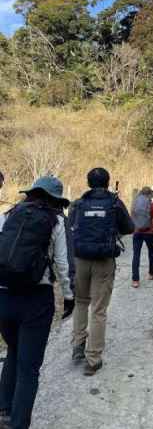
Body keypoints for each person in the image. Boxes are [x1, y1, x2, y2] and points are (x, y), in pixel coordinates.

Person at [0, 176, 74, 429]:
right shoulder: (56, 221)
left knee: (13, 349)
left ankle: (3, 409)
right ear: (56, 200)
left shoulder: (9, 214)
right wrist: (69, 296)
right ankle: (18, 424)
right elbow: (63, 264)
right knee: (29, 367)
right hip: (36, 299)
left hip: (4, 295)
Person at [69, 168, 134, 376]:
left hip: (80, 259)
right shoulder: (115, 203)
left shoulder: (78, 204)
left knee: (81, 302)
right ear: (107, 183)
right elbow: (130, 228)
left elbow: (72, 228)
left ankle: (77, 347)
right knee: (98, 309)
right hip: (104, 260)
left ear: (88, 183)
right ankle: (93, 359)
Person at [131, 186, 153, 288]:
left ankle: (135, 280)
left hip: (137, 232)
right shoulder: (152, 205)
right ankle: (151, 274)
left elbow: (132, 218)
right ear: (149, 194)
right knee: (151, 253)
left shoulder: (135, 204)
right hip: (149, 232)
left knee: (136, 255)